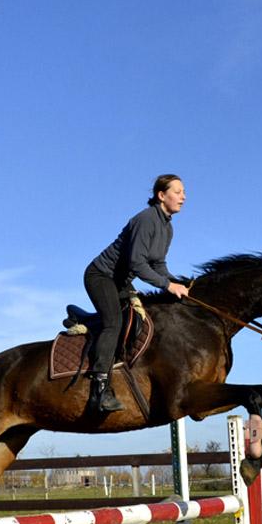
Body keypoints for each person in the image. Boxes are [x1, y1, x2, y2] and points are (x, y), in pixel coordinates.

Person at [83, 174, 190, 412]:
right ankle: (98, 391)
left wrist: (178, 284)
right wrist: (167, 285)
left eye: (184, 192)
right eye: (178, 191)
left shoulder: (167, 227)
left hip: (120, 282)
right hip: (101, 277)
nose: (183, 197)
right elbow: (138, 264)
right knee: (114, 323)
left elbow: (158, 264)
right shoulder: (146, 219)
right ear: (162, 195)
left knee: (141, 320)